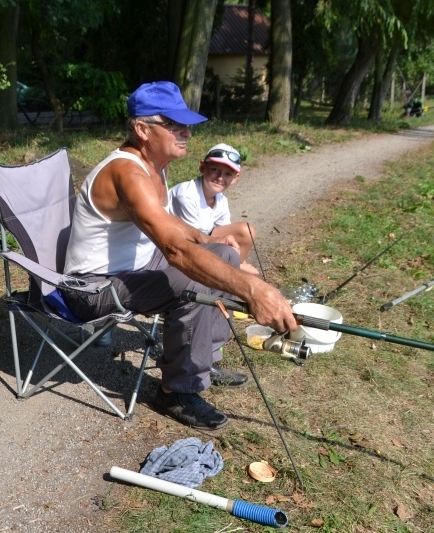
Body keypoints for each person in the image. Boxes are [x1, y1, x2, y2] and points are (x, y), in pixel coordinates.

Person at [61, 81, 297, 430]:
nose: (186, 132)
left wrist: (206, 241)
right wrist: (253, 290)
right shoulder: (128, 173)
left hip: (135, 268)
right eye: (174, 125)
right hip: (93, 288)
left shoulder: (155, 165)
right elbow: (174, 251)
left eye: (187, 124)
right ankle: (176, 391)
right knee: (197, 282)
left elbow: (167, 225)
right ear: (142, 129)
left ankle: (202, 360)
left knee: (225, 258)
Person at [169, 143, 260, 275]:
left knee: (245, 231)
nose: (220, 177)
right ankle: (230, 273)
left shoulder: (221, 199)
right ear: (202, 167)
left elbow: (229, 238)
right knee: (243, 270)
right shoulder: (186, 195)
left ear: (235, 178)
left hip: (202, 239)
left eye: (228, 174)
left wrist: (239, 261)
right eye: (214, 169)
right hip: (178, 245)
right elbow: (193, 241)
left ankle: (234, 270)